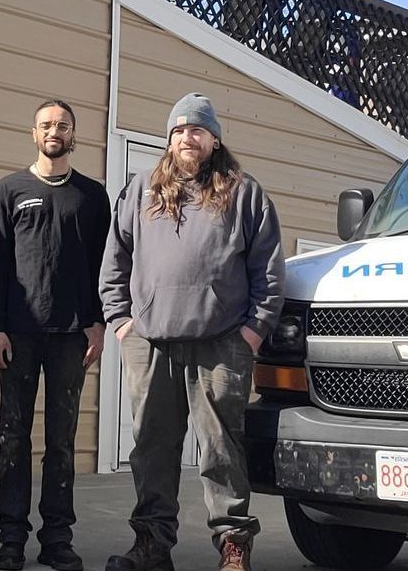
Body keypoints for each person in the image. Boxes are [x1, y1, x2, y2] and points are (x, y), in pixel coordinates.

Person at [101, 93, 285, 571]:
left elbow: (269, 271)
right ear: (169, 139)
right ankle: (151, 546)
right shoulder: (140, 188)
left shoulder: (244, 192)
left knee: (221, 447)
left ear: (215, 139)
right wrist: (122, 324)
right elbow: (115, 261)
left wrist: (252, 333)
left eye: (198, 129)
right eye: (180, 129)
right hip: (152, 341)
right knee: (151, 447)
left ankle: (233, 544)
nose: (189, 136)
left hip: (222, 343)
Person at [0, 101, 111, 571]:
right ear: (33, 132)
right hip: (18, 335)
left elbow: (105, 266)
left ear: (73, 134)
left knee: (62, 440)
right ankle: (11, 538)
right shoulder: (10, 190)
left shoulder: (92, 196)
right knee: (12, 437)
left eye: (62, 125)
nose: (54, 131)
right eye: (46, 125)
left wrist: (97, 321)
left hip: (71, 337)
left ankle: (57, 538)